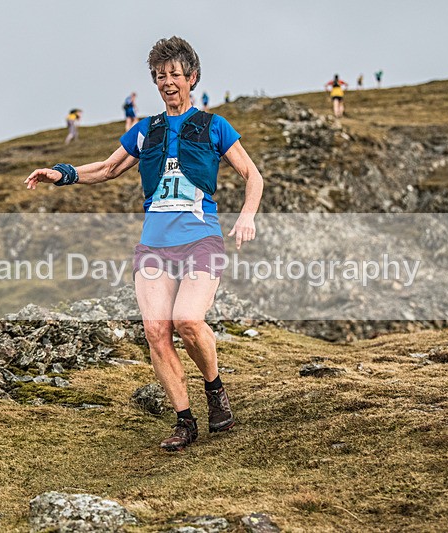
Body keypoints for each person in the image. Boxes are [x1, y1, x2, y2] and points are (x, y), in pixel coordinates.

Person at [24, 36, 263, 452]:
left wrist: (246, 215)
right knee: (156, 330)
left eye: (174, 74)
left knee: (188, 320)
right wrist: (62, 173)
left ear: (192, 77)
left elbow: (252, 175)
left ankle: (215, 389)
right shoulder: (146, 129)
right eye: (159, 76)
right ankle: (185, 422)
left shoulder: (213, 126)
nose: (167, 82)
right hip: (154, 246)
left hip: (201, 240)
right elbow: (108, 168)